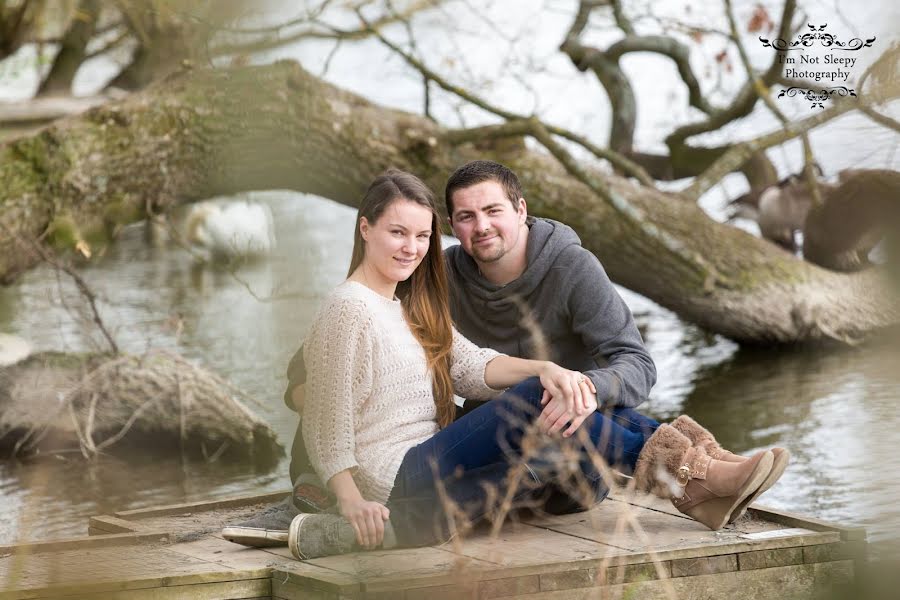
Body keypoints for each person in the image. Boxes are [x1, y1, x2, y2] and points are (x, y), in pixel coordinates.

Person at [222, 163, 789, 549]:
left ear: (521, 210)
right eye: (398, 233)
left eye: (421, 237)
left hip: (429, 460)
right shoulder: (352, 306)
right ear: (364, 229)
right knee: (542, 406)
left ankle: (700, 486)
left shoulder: (411, 303)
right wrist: (345, 494)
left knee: (553, 429)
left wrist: (549, 371)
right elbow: (323, 411)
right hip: (395, 470)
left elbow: (470, 365)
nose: (412, 248)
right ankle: (698, 476)